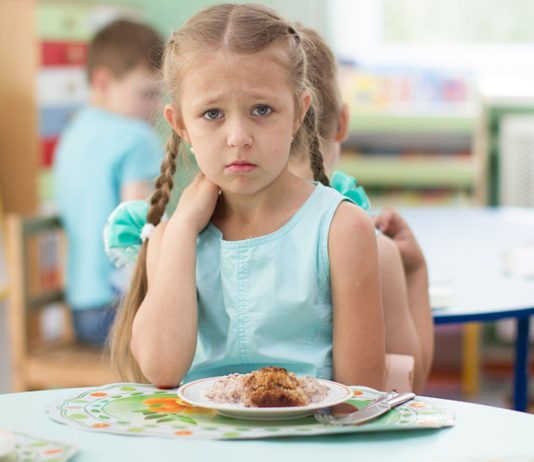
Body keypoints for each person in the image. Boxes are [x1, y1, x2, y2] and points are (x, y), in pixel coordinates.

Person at [108, 3, 386, 389]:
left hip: (305, 444)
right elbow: (161, 369)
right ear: (180, 124)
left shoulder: (341, 228)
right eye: (212, 114)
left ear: (297, 114)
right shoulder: (172, 238)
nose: (238, 136)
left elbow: (360, 396)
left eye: (261, 109)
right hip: (201, 445)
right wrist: (185, 227)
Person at [288, 25, 434, 393]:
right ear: (343, 123)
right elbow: (406, 382)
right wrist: (414, 271)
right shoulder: (370, 248)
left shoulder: (191, 233)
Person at [54, 19, 164, 346]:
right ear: (103, 82)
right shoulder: (136, 136)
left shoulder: (71, 134)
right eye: (147, 93)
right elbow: (140, 231)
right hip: (118, 310)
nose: (156, 106)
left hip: (80, 312)